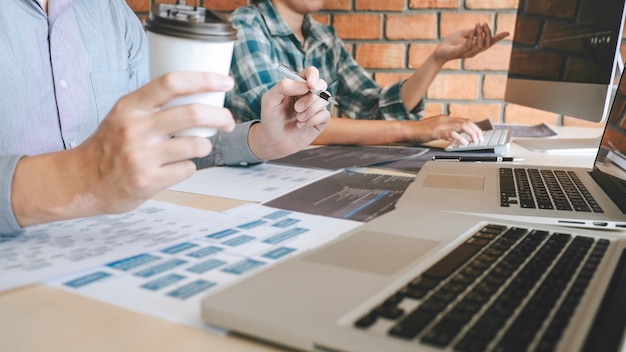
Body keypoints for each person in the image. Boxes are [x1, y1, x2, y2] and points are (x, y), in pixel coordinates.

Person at [0, 0, 330, 235]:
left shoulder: (112, 13)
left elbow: (162, 141)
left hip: (110, 245)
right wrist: (79, 177)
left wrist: (261, 140)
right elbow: (103, 169)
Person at [226, 0, 510, 146]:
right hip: (248, 175)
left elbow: (374, 108)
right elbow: (285, 124)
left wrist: (437, 59)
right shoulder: (245, 24)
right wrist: (411, 130)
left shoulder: (325, 37)